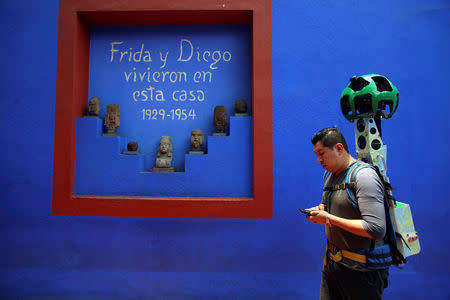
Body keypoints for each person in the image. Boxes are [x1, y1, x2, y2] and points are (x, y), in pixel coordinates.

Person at [306, 127, 389, 300]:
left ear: (339, 148)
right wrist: (320, 209)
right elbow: (330, 205)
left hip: (362, 272)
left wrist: (328, 218)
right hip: (333, 265)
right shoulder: (329, 176)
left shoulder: (364, 176)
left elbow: (375, 228)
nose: (318, 159)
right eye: (316, 154)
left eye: (321, 153)